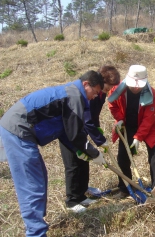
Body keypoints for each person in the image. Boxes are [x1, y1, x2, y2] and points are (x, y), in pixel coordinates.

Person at [0, 71, 106, 236]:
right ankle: (36, 232)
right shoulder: (74, 96)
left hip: (21, 129)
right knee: (31, 183)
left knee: (40, 176)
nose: (95, 97)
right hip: (18, 130)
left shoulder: (72, 93)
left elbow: (64, 131)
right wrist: (94, 153)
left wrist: (79, 151)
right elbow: (75, 133)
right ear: (86, 85)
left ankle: (36, 222)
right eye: (95, 92)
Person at [59, 65, 120, 213]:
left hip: (81, 130)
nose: (106, 92)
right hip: (69, 131)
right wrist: (99, 140)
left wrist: (97, 129)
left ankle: (82, 193)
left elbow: (94, 115)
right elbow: (86, 120)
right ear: (100, 82)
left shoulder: (99, 93)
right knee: (73, 165)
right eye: (106, 89)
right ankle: (72, 200)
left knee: (83, 161)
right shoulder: (87, 93)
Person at [107, 65, 155, 199]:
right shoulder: (117, 91)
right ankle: (125, 187)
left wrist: (139, 137)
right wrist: (120, 119)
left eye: (138, 86)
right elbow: (112, 105)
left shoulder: (151, 94)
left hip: (148, 127)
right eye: (133, 85)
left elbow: (148, 119)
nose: (135, 88)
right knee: (123, 157)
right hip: (127, 125)